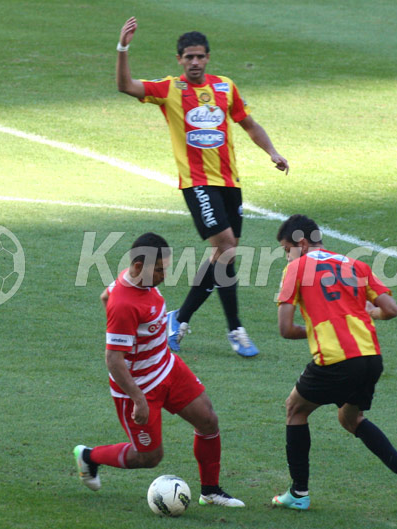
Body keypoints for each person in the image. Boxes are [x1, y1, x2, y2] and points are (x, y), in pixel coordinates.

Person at [116, 16, 290, 357]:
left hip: (229, 182)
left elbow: (249, 124)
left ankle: (179, 319)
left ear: (208, 57)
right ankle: (235, 328)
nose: (194, 62)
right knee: (226, 247)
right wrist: (123, 47)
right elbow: (125, 86)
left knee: (224, 255)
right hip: (196, 183)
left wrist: (272, 152)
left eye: (200, 56)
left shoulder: (225, 87)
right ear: (179, 60)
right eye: (188, 57)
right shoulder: (169, 89)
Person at [73, 232, 244, 508]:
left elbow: (105, 294)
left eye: (167, 266)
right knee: (149, 457)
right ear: (139, 267)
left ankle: (210, 491)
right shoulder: (125, 304)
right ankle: (90, 457)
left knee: (208, 420)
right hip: (138, 387)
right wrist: (138, 399)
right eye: (160, 269)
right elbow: (113, 360)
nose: (166, 274)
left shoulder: (134, 280)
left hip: (167, 368)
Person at [270, 215, 397, 510]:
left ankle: (299, 493)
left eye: (286, 250)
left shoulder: (296, 268)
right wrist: (367, 315)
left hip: (337, 360)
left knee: (295, 409)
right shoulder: (355, 264)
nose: (286, 256)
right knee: (350, 418)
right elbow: (391, 309)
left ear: (301, 243)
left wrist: (319, 328)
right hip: (370, 358)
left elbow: (285, 329)